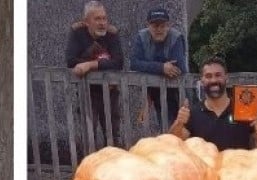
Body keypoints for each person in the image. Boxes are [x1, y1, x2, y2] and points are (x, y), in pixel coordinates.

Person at [169, 56, 257, 150]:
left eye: (218, 75)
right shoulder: (193, 113)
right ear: (202, 80)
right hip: (205, 171)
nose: (213, 80)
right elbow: (170, 145)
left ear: (226, 78)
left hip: (238, 170)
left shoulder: (244, 109)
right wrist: (178, 123)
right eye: (208, 76)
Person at [65, 1, 124, 151]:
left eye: (104, 18)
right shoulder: (77, 33)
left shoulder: (111, 34)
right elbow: (71, 61)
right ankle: (89, 168)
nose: (102, 23)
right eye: (97, 19)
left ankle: (112, 168)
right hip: (88, 92)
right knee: (88, 134)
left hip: (110, 92)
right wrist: (94, 55)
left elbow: (118, 62)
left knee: (112, 135)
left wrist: (90, 65)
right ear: (86, 22)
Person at [130, 7, 188, 128]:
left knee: (188, 126)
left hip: (179, 91)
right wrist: (161, 67)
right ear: (148, 25)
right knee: (167, 129)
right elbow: (134, 63)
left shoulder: (176, 37)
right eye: (155, 26)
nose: (159, 29)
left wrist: (147, 66)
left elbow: (178, 68)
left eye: (163, 25)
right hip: (157, 92)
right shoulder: (141, 37)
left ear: (169, 25)